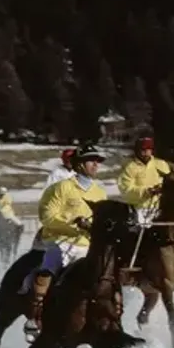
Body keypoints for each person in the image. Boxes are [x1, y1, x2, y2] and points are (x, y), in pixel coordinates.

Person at [22, 144, 109, 337]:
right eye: (91, 161)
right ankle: (34, 318)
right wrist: (74, 225)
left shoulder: (100, 192)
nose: (96, 165)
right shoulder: (60, 188)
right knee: (48, 269)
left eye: (98, 161)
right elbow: (47, 216)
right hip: (62, 241)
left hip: (90, 246)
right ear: (79, 164)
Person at [117, 135, 173, 227]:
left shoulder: (161, 164)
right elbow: (126, 190)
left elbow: (171, 184)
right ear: (137, 151)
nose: (146, 152)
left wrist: (162, 189)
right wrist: (146, 192)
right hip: (140, 209)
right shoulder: (130, 168)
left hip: (160, 208)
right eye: (143, 150)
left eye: (148, 149)